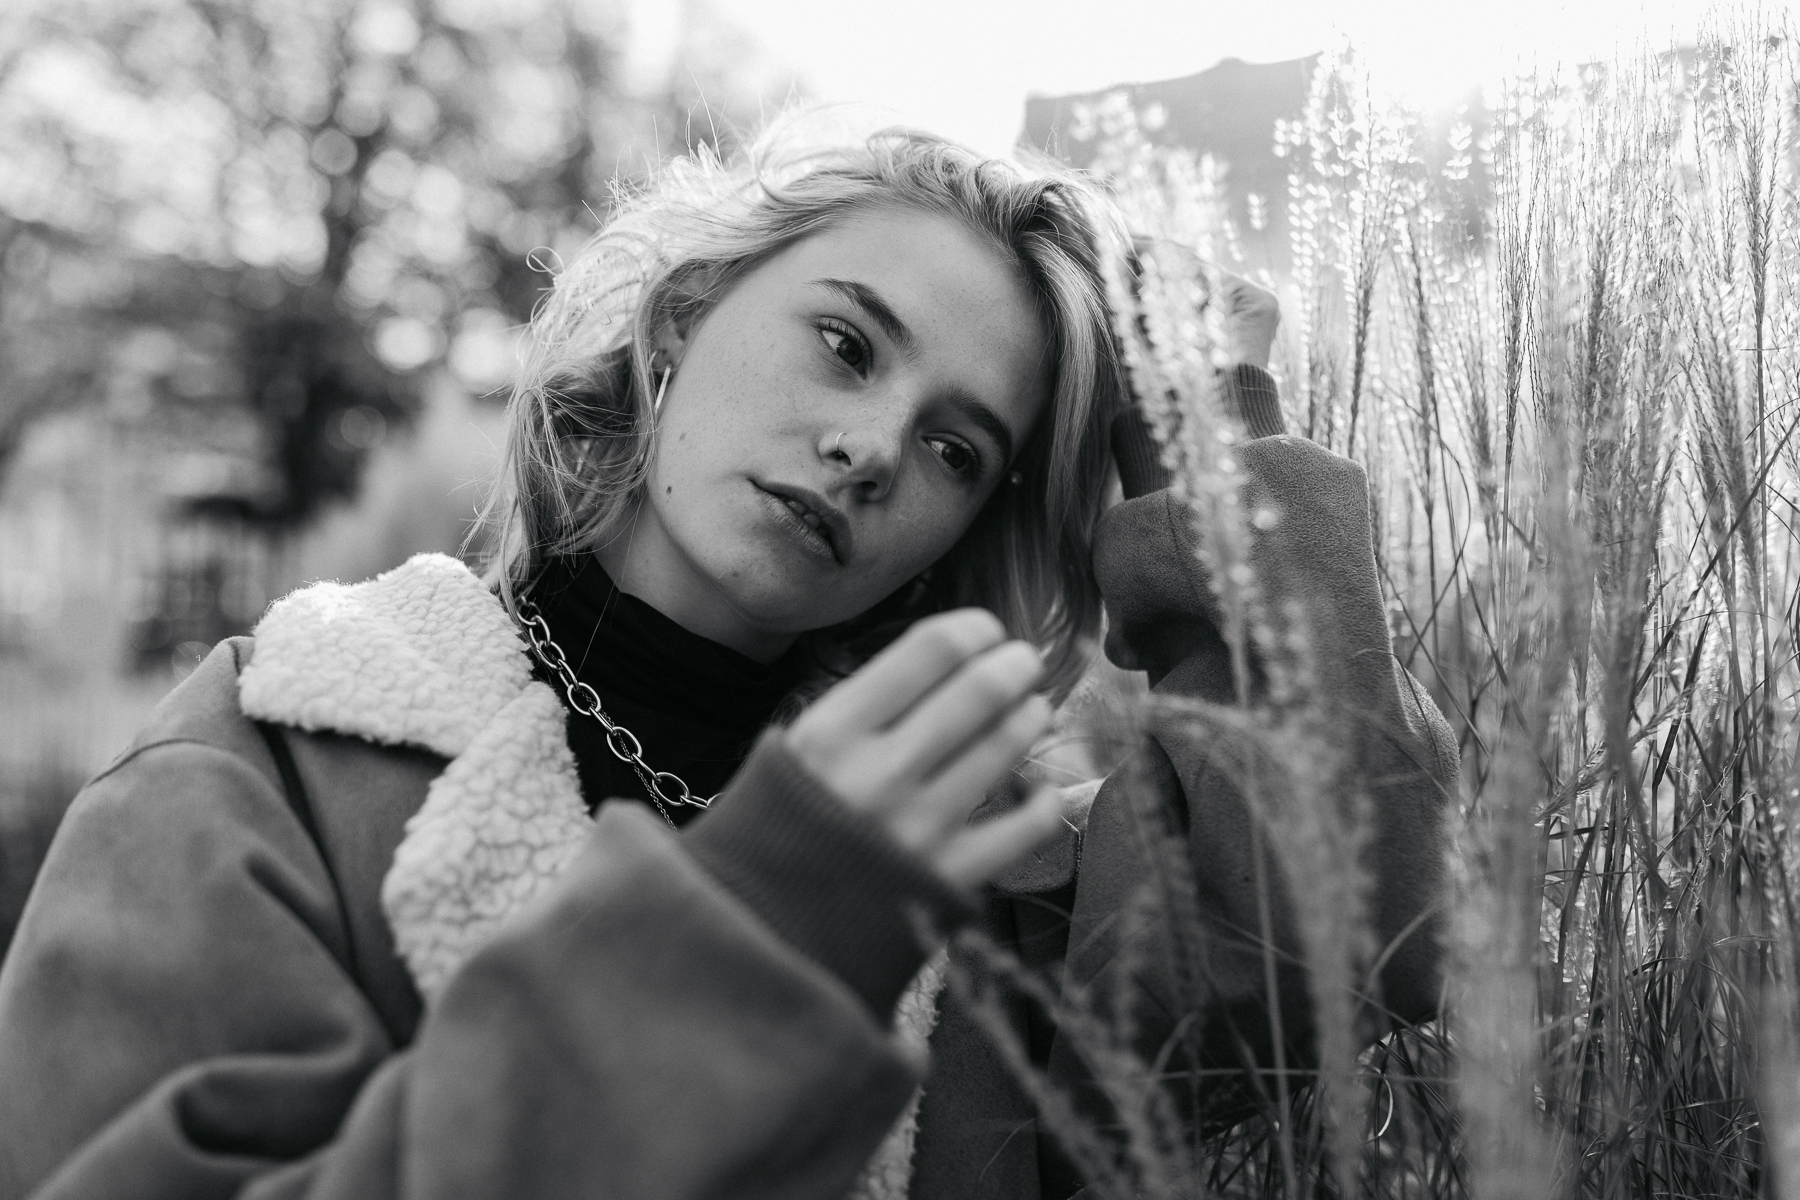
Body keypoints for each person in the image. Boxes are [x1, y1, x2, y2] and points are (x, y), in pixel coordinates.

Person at [0, 125, 1456, 1200]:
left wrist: (1204, 436)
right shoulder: (271, 766)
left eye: (957, 449)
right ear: (682, 319)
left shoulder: (969, 877)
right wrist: (765, 930)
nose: (872, 448)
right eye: (844, 343)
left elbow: (1339, 933)